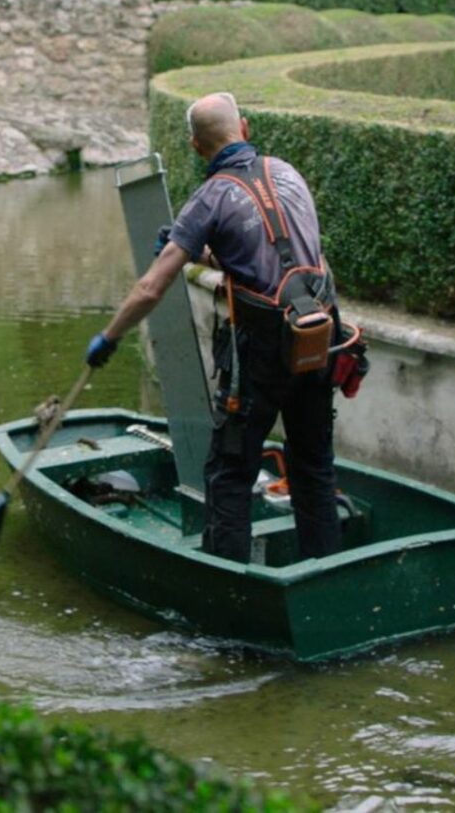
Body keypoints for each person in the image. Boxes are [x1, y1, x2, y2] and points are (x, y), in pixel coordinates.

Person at [83, 91, 342, 563]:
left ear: (196, 147)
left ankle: (231, 596)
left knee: (229, 472)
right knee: (314, 467)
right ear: (244, 128)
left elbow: (149, 289)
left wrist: (110, 337)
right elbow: (275, 251)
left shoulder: (209, 199)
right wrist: (203, 250)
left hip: (262, 356)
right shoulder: (288, 173)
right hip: (319, 340)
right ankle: (326, 573)